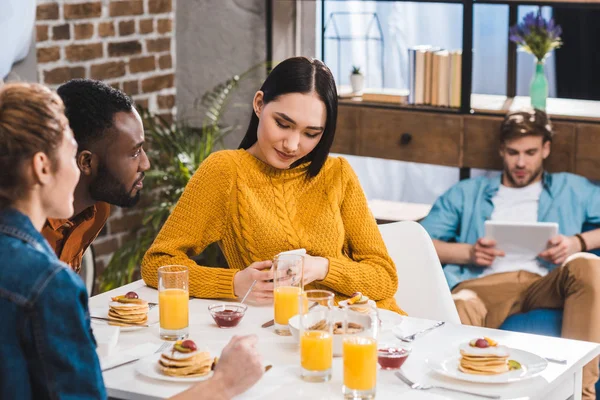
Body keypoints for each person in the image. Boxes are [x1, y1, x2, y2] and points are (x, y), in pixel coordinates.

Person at [0, 82, 263, 400]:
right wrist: (224, 385)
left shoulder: (80, 225)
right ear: (43, 166)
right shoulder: (47, 283)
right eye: (71, 155)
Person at [141, 57, 403, 314]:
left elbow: (384, 278)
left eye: (311, 134)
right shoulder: (226, 172)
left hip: (371, 328)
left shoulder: (338, 174)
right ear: (259, 104)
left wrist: (323, 267)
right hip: (287, 337)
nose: (291, 144)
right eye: (282, 124)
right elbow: (157, 263)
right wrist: (233, 283)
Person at [421, 108, 600, 399]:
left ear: (546, 149)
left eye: (530, 152)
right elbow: (420, 240)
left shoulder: (572, 188)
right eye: (513, 152)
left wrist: (577, 242)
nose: (520, 162)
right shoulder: (468, 192)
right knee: (459, 302)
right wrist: (469, 252)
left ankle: (582, 394)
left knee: (588, 265)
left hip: (545, 284)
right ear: (501, 150)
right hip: (483, 287)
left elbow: (582, 252)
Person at [41, 79, 151, 273]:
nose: (145, 164)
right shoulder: (26, 223)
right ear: (86, 162)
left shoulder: (97, 211)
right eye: (134, 152)